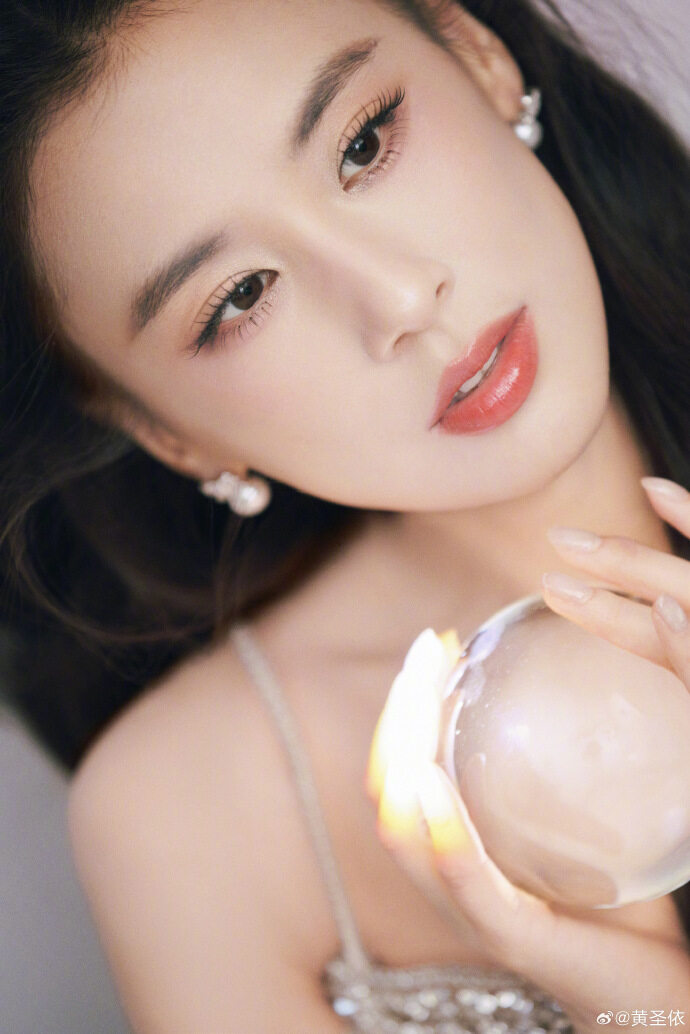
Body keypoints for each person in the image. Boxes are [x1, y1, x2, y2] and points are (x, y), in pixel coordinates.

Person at [1, 0, 689, 1030]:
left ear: (478, 55)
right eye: (240, 297)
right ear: (167, 431)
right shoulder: (196, 814)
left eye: (364, 143)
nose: (401, 298)